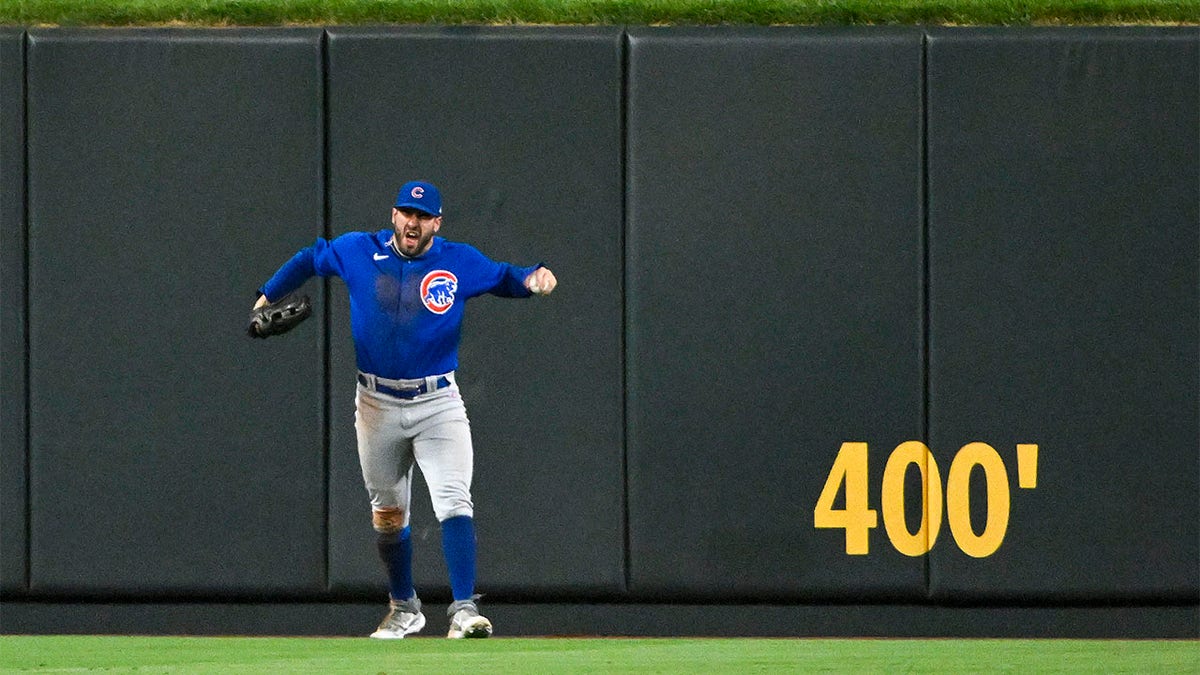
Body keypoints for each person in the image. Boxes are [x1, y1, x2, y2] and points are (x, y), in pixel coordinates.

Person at [252, 180, 557, 639]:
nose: (412, 222)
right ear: (393, 215)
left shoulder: (457, 261)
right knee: (388, 514)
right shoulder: (358, 250)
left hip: (437, 402)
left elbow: (504, 276)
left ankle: (463, 609)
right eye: (405, 213)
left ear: (437, 223)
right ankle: (404, 607)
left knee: (454, 498)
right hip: (375, 402)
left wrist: (534, 277)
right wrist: (265, 296)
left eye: (422, 216)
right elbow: (310, 258)